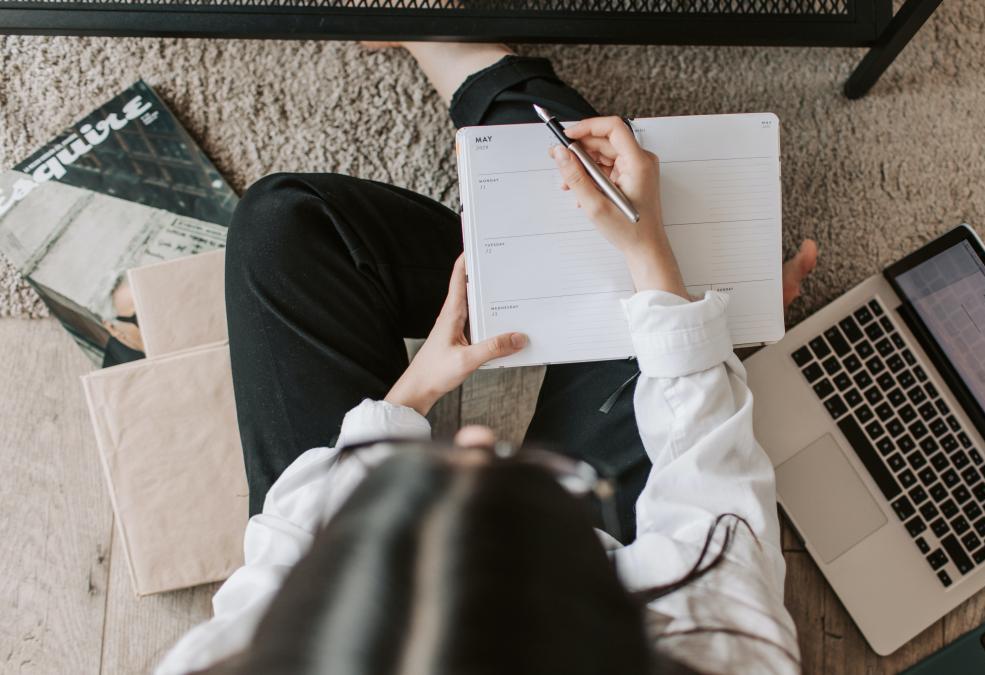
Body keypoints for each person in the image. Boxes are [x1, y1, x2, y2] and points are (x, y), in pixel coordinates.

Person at [155, 42, 819, 675]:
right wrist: (658, 268)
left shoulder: (235, 660)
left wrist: (409, 397)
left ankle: (513, 216)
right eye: (518, 485)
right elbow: (711, 488)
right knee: (666, 290)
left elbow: (285, 548)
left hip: (329, 555)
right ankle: (470, 58)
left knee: (283, 226)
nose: (471, 434)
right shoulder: (722, 649)